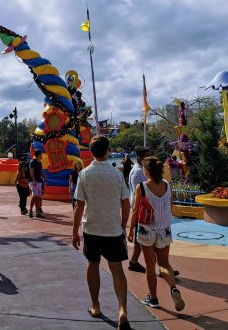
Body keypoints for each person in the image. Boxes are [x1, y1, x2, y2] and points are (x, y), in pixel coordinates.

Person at [72, 136, 131, 330]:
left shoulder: (84, 174)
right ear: (107, 151)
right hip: (113, 229)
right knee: (117, 269)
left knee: (93, 264)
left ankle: (96, 306)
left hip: (92, 228)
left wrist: (74, 231)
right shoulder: (117, 174)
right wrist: (123, 225)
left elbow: (79, 205)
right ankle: (122, 310)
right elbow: (125, 203)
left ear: (91, 152)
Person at [128, 157, 184, 311]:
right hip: (164, 229)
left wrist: (131, 230)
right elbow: (170, 206)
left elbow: (135, 211)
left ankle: (153, 298)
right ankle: (173, 287)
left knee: (150, 265)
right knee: (164, 263)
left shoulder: (142, 187)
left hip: (147, 230)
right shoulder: (167, 185)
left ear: (147, 171)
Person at [126, 146, 148, 274]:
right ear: (140, 158)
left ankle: (134, 261)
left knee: (141, 238)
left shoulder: (140, 170)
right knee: (141, 238)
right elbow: (138, 192)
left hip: (143, 208)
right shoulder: (138, 172)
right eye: (147, 156)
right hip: (141, 208)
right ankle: (134, 261)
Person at [28, 150, 47, 219]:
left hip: (39, 181)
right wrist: (34, 180)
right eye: (41, 154)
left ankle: (38, 212)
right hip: (34, 182)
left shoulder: (40, 162)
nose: (42, 155)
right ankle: (30, 210)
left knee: (39, 197)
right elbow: (31, 171)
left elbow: (41, 171)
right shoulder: (33, 162)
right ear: (38, 155)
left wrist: (45, 179)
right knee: (35, 196)